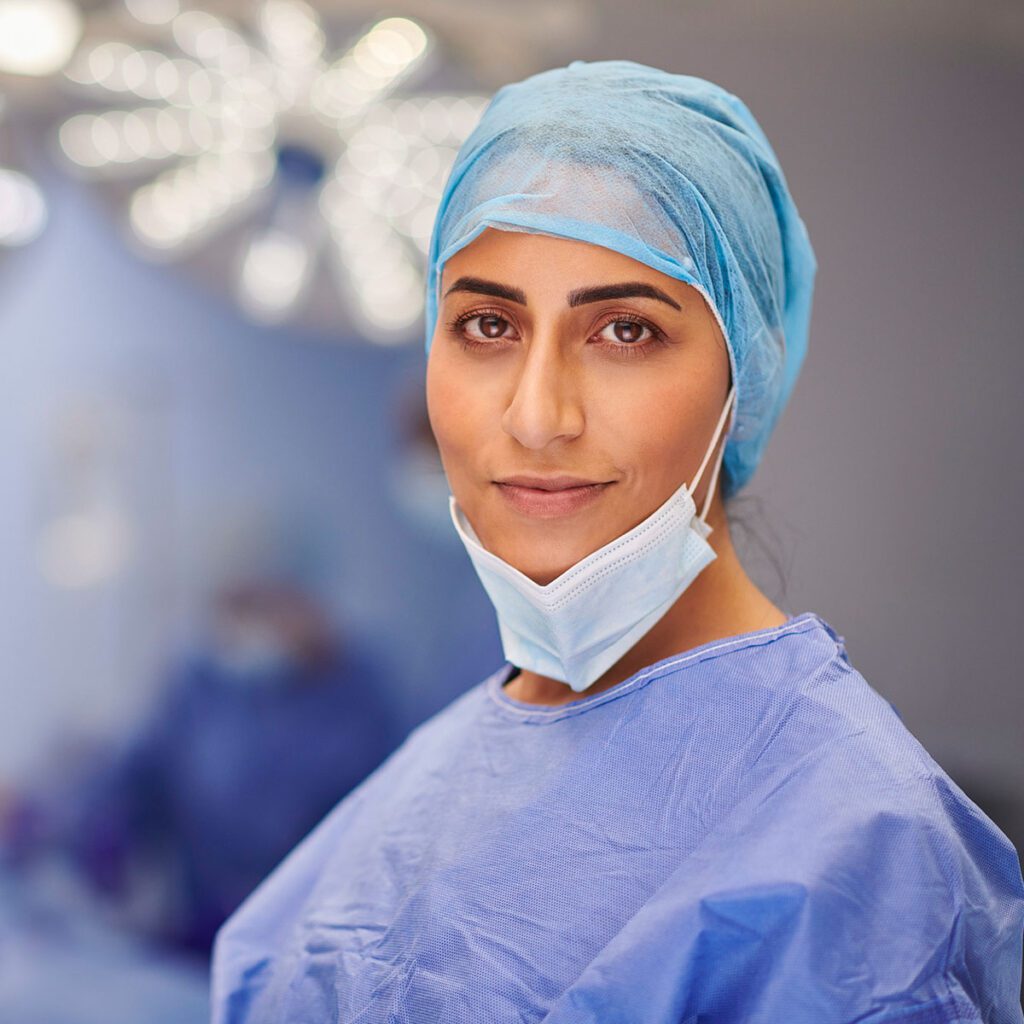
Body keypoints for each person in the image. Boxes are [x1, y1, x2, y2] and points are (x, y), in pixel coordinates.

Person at [210, 61, 1024, 1022]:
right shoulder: (415, 796)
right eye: (484, 323)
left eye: (626, 331)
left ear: (743, 374)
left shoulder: (859, 847)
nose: (537, 414)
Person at [3, 574, 397, 958]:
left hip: (309, 925)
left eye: (269, 617)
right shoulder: (203, 688)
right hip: (199, 918)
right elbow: (137, 768)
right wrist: (55, 818)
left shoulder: (354, 704)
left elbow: (355, 819)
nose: (252, 640)